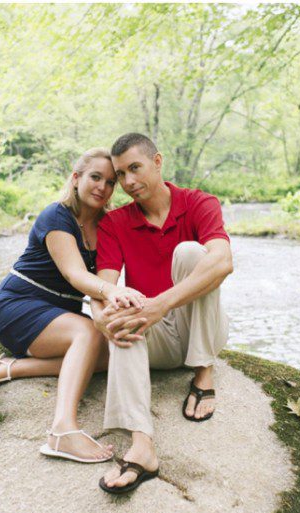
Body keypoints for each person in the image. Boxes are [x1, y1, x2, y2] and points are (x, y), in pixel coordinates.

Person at [0, 148, 147, 463]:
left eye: (111, 182)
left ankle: (12, 369)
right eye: (95, 177)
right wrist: (113, 292)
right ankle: (62, 431)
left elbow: (108, 273)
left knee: (117, 349)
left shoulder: (106, 224)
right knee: (87, 333)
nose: (102, 187)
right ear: (76, 178)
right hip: (20, 306)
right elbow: (75, 274)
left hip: (59, 315)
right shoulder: (56, 216)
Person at [90, 133, 233, 493]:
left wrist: (160, 304)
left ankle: (204, 371)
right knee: (122, 316)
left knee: (191, 254)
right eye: (120, 174)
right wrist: (103, 317)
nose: (128, 182)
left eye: (135, 168)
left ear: (157, 161)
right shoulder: (115, 223)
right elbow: (103, 285)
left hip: (200, 326)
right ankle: (142, 445)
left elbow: (223, 262)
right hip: (159, 337)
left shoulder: (199, 203)